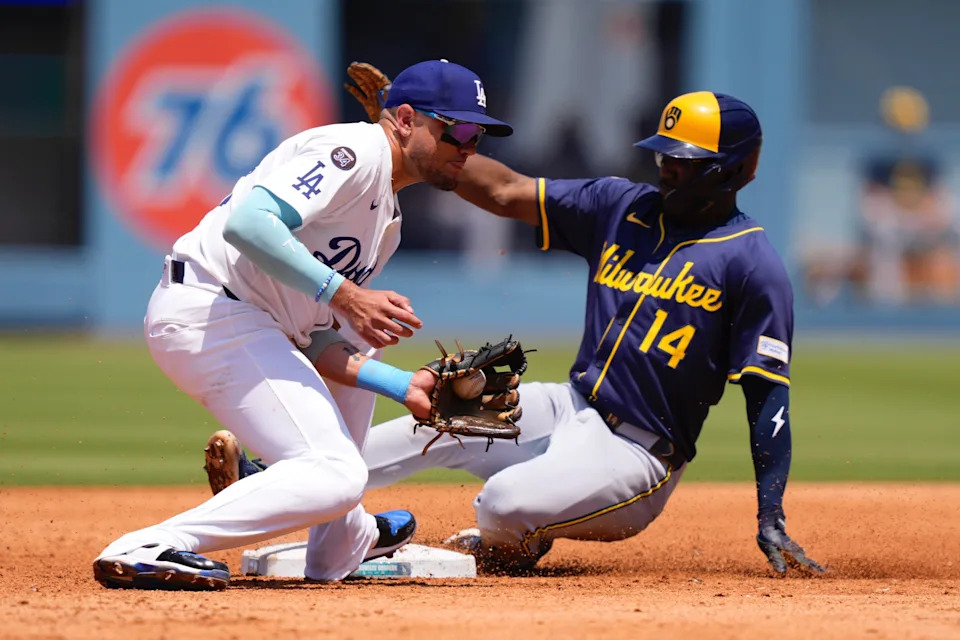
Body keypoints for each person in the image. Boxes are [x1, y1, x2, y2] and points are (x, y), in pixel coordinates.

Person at [208, 86, 824, 576]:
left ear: (735, 170)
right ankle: (278, 479)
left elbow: (768, 395)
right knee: (440, 411)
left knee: (501, 506)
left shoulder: (752, 262)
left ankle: (519, 541)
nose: (666, 171)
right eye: (663, 155)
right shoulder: (622, 207)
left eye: (686, 163)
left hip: (638, 452)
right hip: (570, 404)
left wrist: (771, 515)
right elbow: (502, 190)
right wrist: (407, 139)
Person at [92, 59, 513, 590]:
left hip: (248, 321)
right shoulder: (355, 153)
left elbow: (314, 339)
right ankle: (151, 544)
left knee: (366, 334)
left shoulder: (386, 224)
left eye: (479, 135)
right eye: (460, 131)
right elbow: (249, 223)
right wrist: (347, 293)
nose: (470, 147)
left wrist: (403, 386)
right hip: (211, 310)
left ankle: (342, 541)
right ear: (406, 119)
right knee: (335, 471)